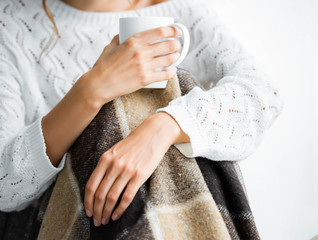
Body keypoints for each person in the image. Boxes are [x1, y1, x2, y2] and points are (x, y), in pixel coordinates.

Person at [0, 0, 283, 230]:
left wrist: (163, 128)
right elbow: (4, 184)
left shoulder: (183, 13)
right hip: (57, 220)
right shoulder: (10, 21)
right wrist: (91, 90)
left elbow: (263, 95)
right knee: (111, 117)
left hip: (168, 218)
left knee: (180, 91)